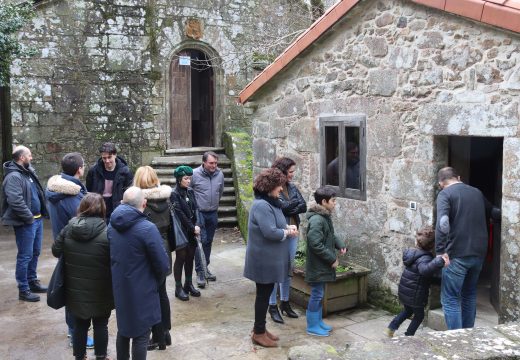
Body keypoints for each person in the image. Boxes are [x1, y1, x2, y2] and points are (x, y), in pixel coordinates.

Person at [108, 187, 169, 360]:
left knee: (124, 330)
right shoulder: (147, 228)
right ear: (144, 203)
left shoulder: (112, 225)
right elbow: (163, 264)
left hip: (120, 285)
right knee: (142, 335)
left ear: (122, 202)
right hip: (143, 288)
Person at [52, 193, 114, 360]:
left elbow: (55, 250)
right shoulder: (108, 233)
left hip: (75, 289)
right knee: (101, 324)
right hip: (101, 289)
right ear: (102, 209)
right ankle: (101, 356)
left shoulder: (68, 228)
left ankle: (80, 356)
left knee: (80, 325)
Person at [435, 166, 497, 330]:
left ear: (441, 183)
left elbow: (442, 223)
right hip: (478, 253)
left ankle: (456, 342)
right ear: (459, 177)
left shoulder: (445, 194)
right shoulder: (476, 192)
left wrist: (440, 252)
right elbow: (493, 212)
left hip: (457, 254)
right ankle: (468, 337)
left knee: (450, 299)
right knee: (469, 295)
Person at [244, 168, 298, 347]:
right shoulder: (261, 205)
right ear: (269, 187)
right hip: (263, 260)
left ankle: (259, 329)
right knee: (263, 296)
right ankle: (258, 333)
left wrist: (287, 229)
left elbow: (275, 226)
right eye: (278, 186)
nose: (281, 189)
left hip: (269, 258)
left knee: (265, 295)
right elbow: (270, 232)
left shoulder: (270, 202)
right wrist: (286, 232)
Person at [45, 152, 94, 348]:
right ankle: (76, 334)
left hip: (65, 245)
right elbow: (83, 225)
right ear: (79, 169)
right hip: (75, 249)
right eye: (83, 165)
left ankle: (71, 329)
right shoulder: (71, 196)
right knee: (77, 293)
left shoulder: (57, 189)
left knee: (71, 289)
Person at [133, 166, 173, 350]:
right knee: (161, 292)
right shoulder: (166, 199)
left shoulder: (141, 203)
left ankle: (158, 337)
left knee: (150, 295)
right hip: (163, 248)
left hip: (148, 250)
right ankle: (165, 332)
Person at [1, 145, 48, 302]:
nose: (31, 157)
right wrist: (29, 218)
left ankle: (32, 281)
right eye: (29, 155)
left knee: (35, 253)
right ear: (21, 157)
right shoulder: (13, 177)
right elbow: (15, 201)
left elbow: (37, 193)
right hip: (26, 223)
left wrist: (40, 213)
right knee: (25, 255)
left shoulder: (28, 172)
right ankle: (24, 289)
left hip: (37, 220)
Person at [385, 226, 445, 337]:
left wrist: (438, 280)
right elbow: (424, 270)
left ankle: (392, 327)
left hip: (406, 292)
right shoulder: (425, 258)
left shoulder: (412, 254)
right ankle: (409, 335)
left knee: (407, 311)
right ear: (432, 245)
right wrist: (439, 261)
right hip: (415, 295)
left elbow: (423, 275)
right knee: (419, 316)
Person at [268, 157, 306, 324]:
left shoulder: (292, 187)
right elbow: (281, 207)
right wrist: (290, 205)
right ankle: (272, 306)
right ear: (282, 172)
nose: (292, 175)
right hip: (280, 233)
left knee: (288, 269)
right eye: (290, 172)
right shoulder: (272, 189)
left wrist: (289, 205)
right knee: (275, 270)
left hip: (293, 232)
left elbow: (303, 205)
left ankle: (285, 302)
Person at [304, 186, 346, 336]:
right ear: (324, 201)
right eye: (333, 200)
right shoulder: (317, 220)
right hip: (318, 266)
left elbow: (330, 235)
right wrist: (332, 259)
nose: (335, 203)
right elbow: (315, 243)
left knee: (319, 293)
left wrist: (340, 245)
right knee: (316, 294)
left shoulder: (324, 217)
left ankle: (318, 321)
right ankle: (312, 325)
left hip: (321, 265)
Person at [190, 151, 224, 287]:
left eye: (216, 163)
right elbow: (189, 191)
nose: (214, 166)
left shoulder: (220, 174)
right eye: (211, 163)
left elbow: (220, 191)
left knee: (208, 242)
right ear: (204, 162)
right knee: (200, 242)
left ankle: (205, 268)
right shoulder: (194, 174)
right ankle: (200, 272)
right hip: (199, 213)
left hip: (213, 213)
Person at [170, 165, 202, 301]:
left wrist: (197, 225)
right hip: (181, 231)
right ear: (179, 179)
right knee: (181, 258)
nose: (188, 181)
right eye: (186, 178)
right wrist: (191, 227)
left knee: (190, 257)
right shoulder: (174, 194)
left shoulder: (190, 191)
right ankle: (178, 288)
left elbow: (195, 209)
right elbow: (179, 213)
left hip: (192, 230)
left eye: (189, 178)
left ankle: (188, 284)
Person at [86, 142, 133, 220]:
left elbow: (129, 193)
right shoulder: (93, 171)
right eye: (104, 158)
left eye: (109, 157)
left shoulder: (125, 172)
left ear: (115, 155)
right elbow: (89, 191)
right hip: (97, 210)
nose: (107, 161)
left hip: (117, 210)